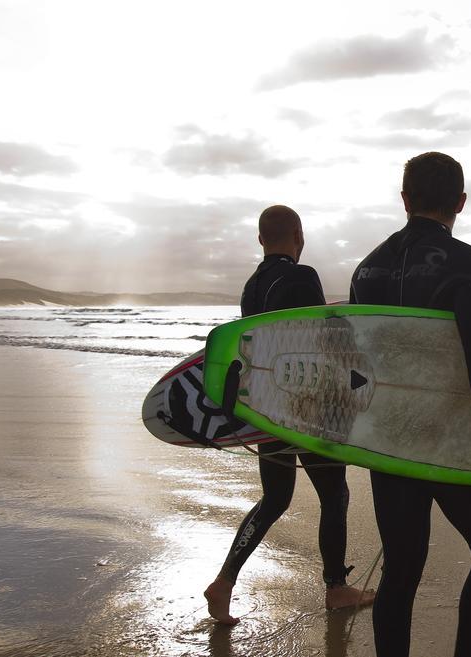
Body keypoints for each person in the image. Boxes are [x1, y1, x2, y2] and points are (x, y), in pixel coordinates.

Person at [349, 153, 471, 657]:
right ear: (461, 201)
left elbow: (359, 365)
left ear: (405, 200)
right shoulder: (469, 265)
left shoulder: (365, 270)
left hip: (388, 441)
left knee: (402, 566)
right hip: (445, 442)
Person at [204, 205, 375, 625]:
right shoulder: (302, 276)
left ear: (261, 239)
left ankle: (224, 581)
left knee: (275, 498)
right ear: (299, 235)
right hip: (308, 410)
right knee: (334, 495)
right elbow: (317, 341)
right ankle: (336, 588)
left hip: (266, 408)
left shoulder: (251, 286)